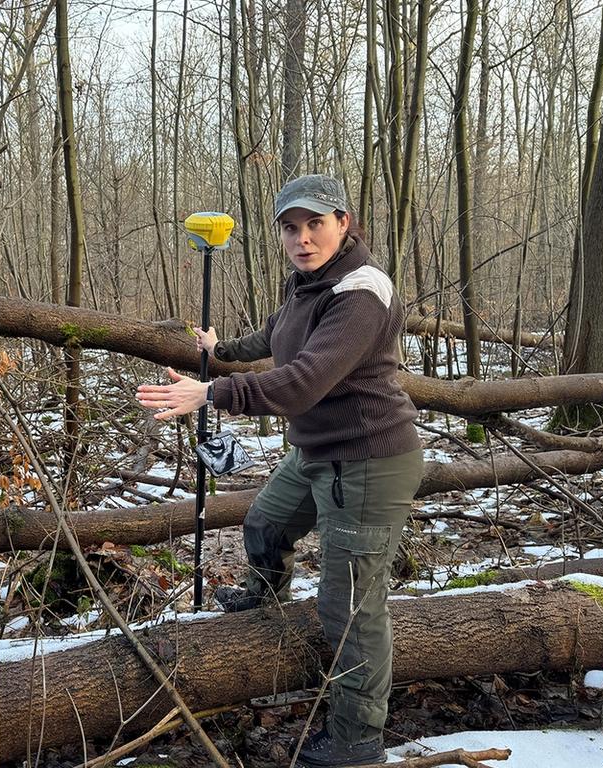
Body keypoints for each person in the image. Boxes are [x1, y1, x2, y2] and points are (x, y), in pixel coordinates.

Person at [136, 174, 423, 767]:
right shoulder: (309, 285)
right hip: (318, 453)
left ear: (344, 222)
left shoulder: (362, 292)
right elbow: (277, 336)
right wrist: (224, 348)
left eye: (315, 223)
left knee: (351, 611)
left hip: (367, 462)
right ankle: (266, 610)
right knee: (265, 524)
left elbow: (303, 381)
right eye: (291, 228)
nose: (302, 237)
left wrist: (212, 391)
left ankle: (358, 741)